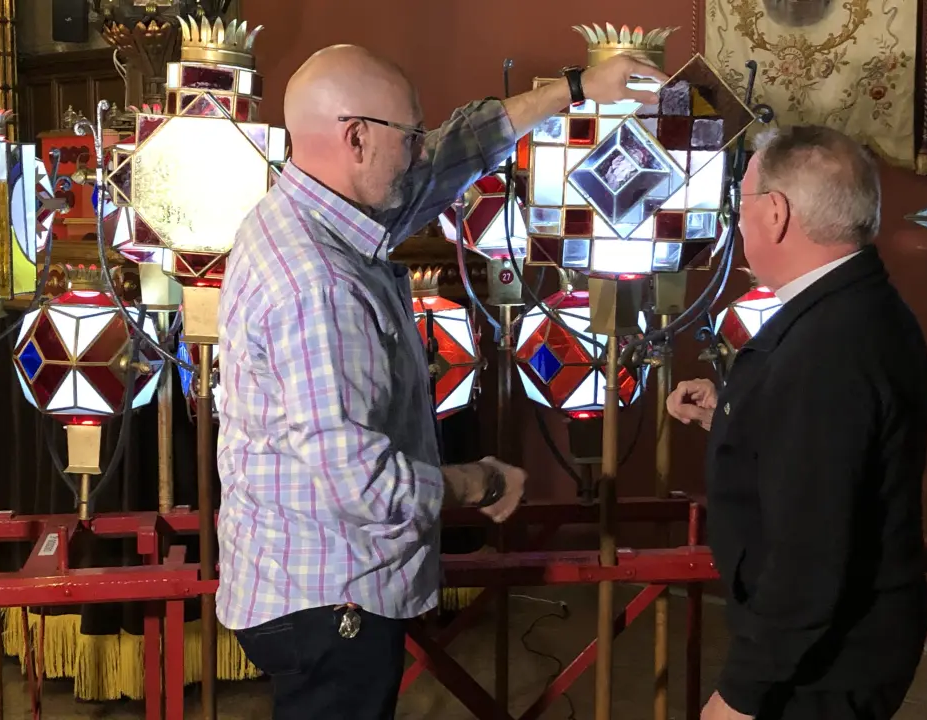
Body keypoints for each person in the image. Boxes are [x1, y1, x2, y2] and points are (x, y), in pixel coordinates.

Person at [216, 44, 667, 719]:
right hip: (331, 598)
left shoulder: (315, 210)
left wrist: (579, 87)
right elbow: (360, 484)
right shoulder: (319, 284)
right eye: (411, 135)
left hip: (302, 577)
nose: (422, 150)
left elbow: (461, 148)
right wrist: (477, 482)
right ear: (357, 137)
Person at [667, 125, 927, 720]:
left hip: (825, 664)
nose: (737, 221)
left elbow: (808, 552)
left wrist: (740, 695)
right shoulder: (856, 305)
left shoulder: (828, 347)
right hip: (842, 645)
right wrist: (734, 416)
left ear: (777, 213)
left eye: (742, 203)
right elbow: (828, 455)